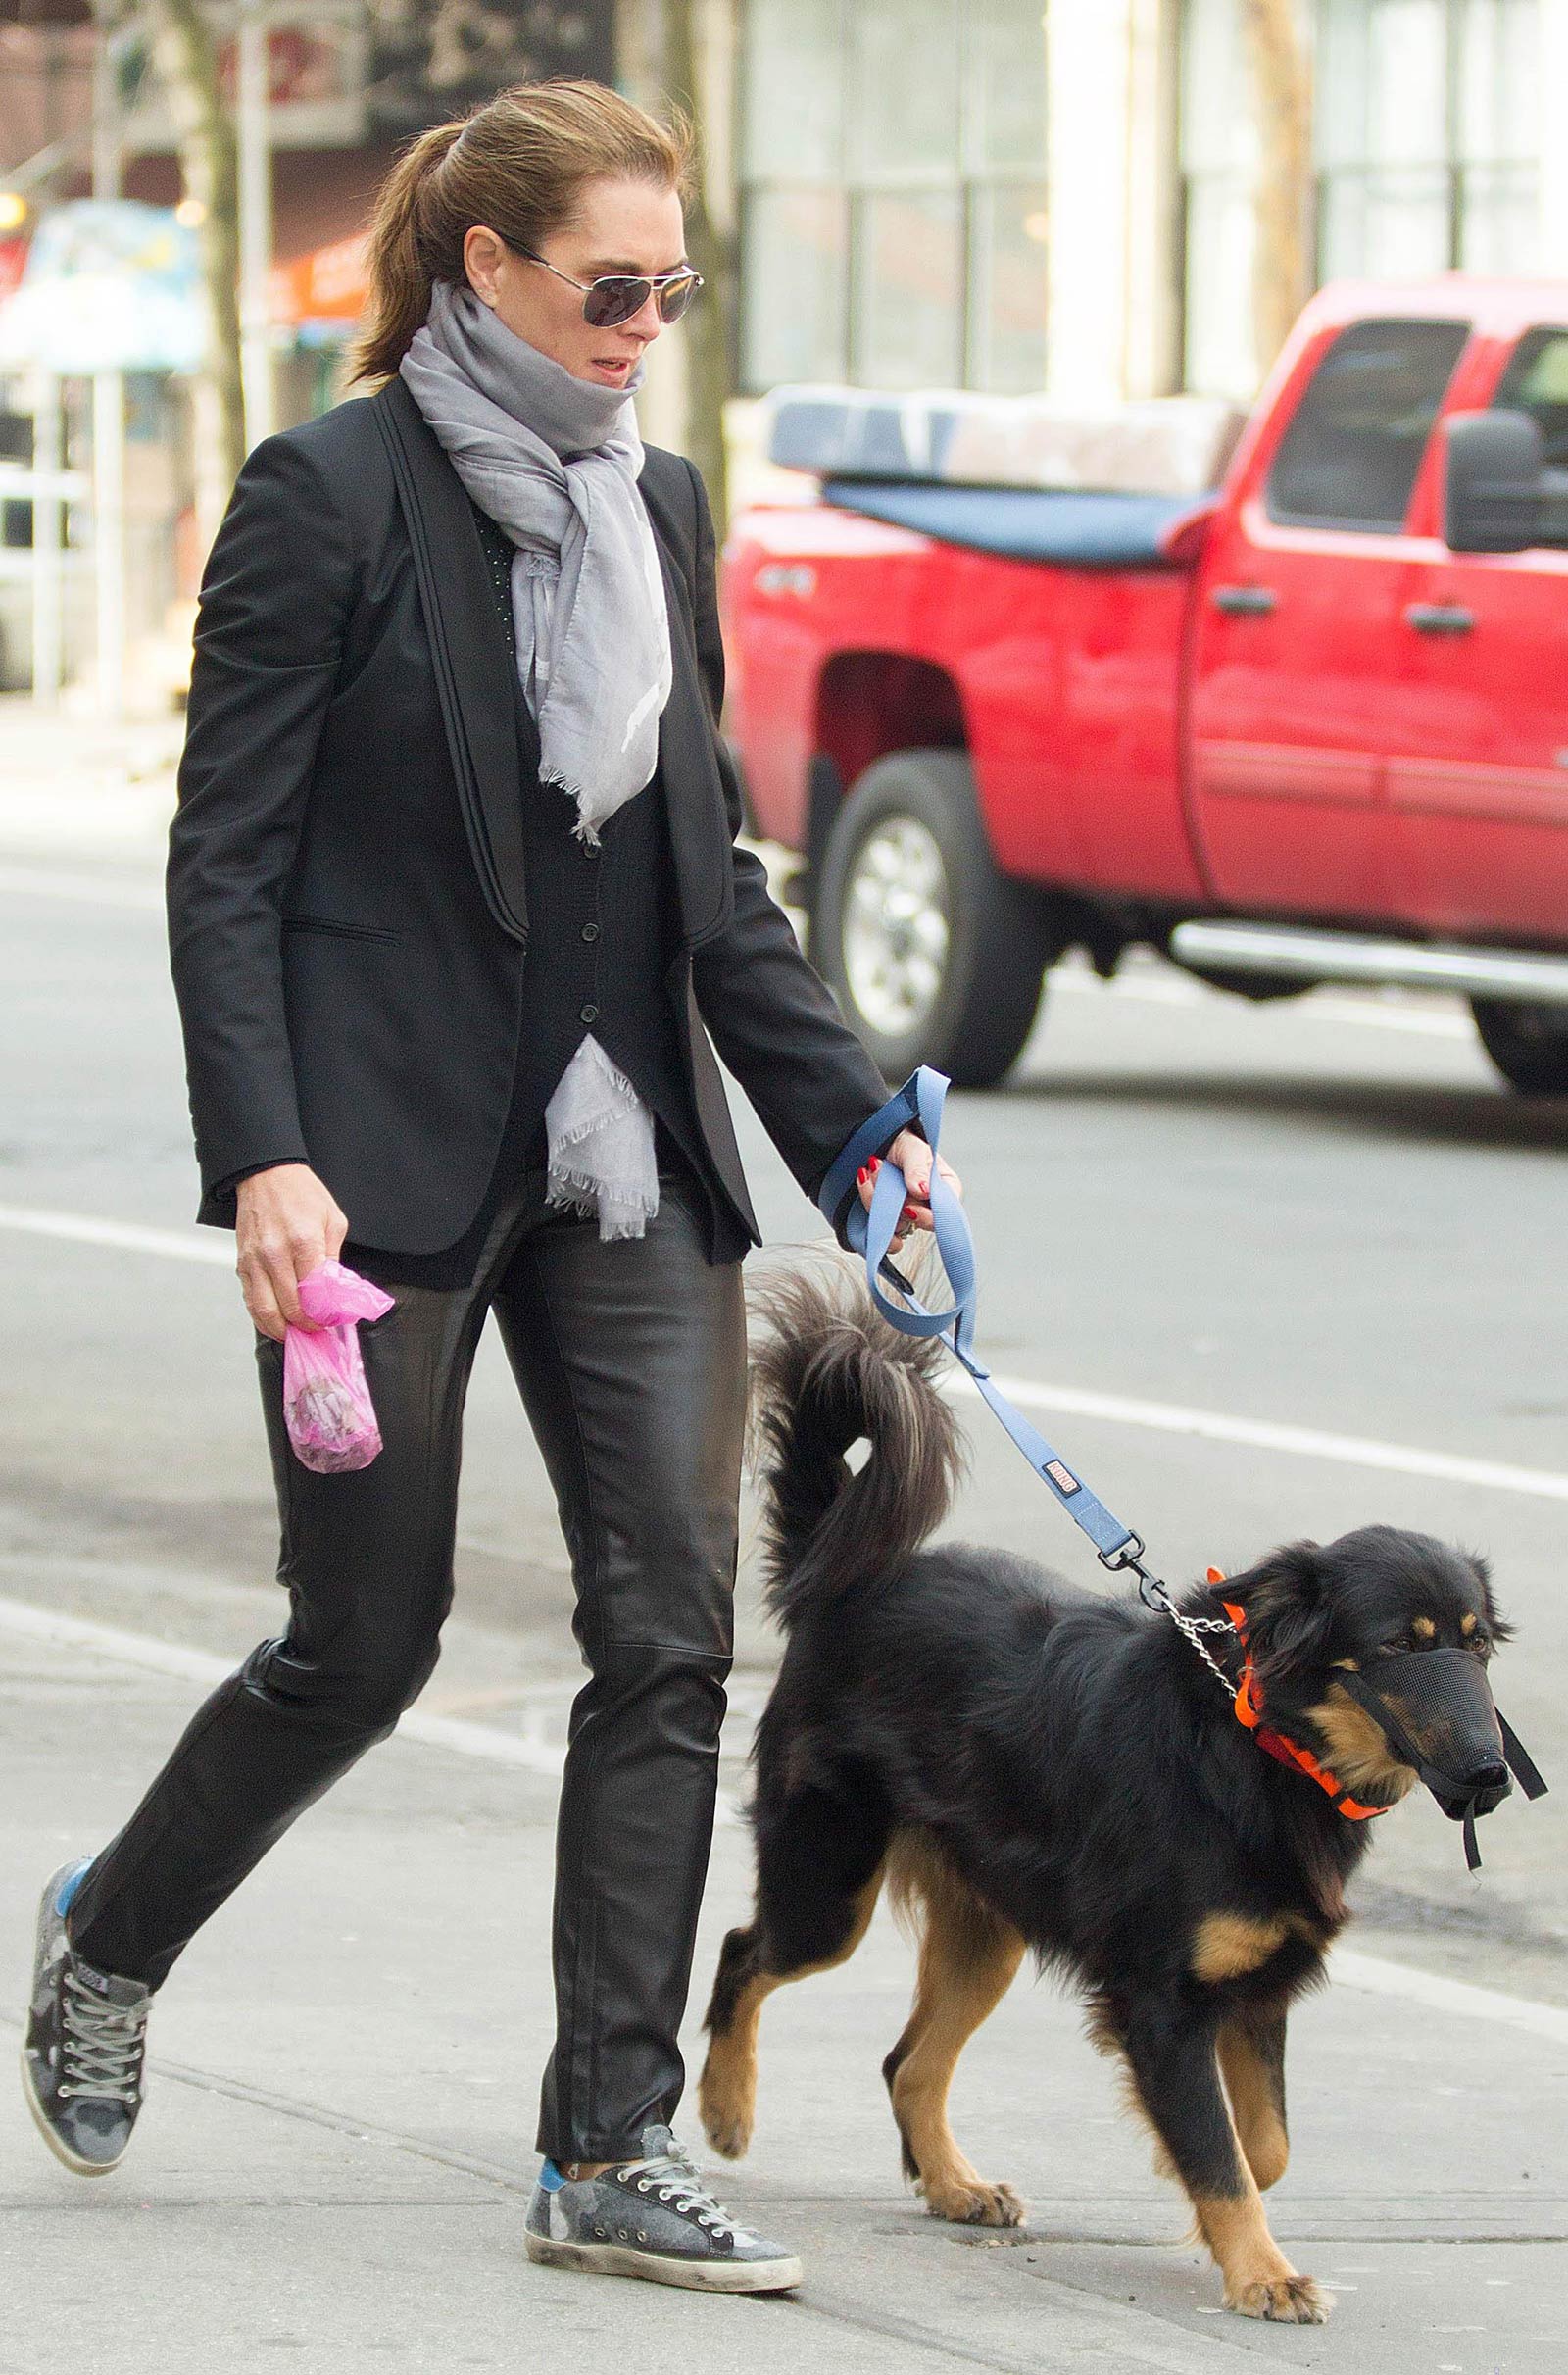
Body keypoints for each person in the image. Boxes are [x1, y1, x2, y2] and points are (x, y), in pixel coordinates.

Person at [22, 79, 960, 2294]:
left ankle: (603, 2144)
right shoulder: (326, 498)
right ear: (488, 270)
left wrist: (855, 1125)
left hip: (626, 1145)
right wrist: (262, 1148)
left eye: (672, 288)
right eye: (609, 287)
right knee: (364, 1641)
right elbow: (225, 856)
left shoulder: (661, 504)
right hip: (374, 1163)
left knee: (667, 1634)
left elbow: (701, 877)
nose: (646, 324)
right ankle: (108, 1938)